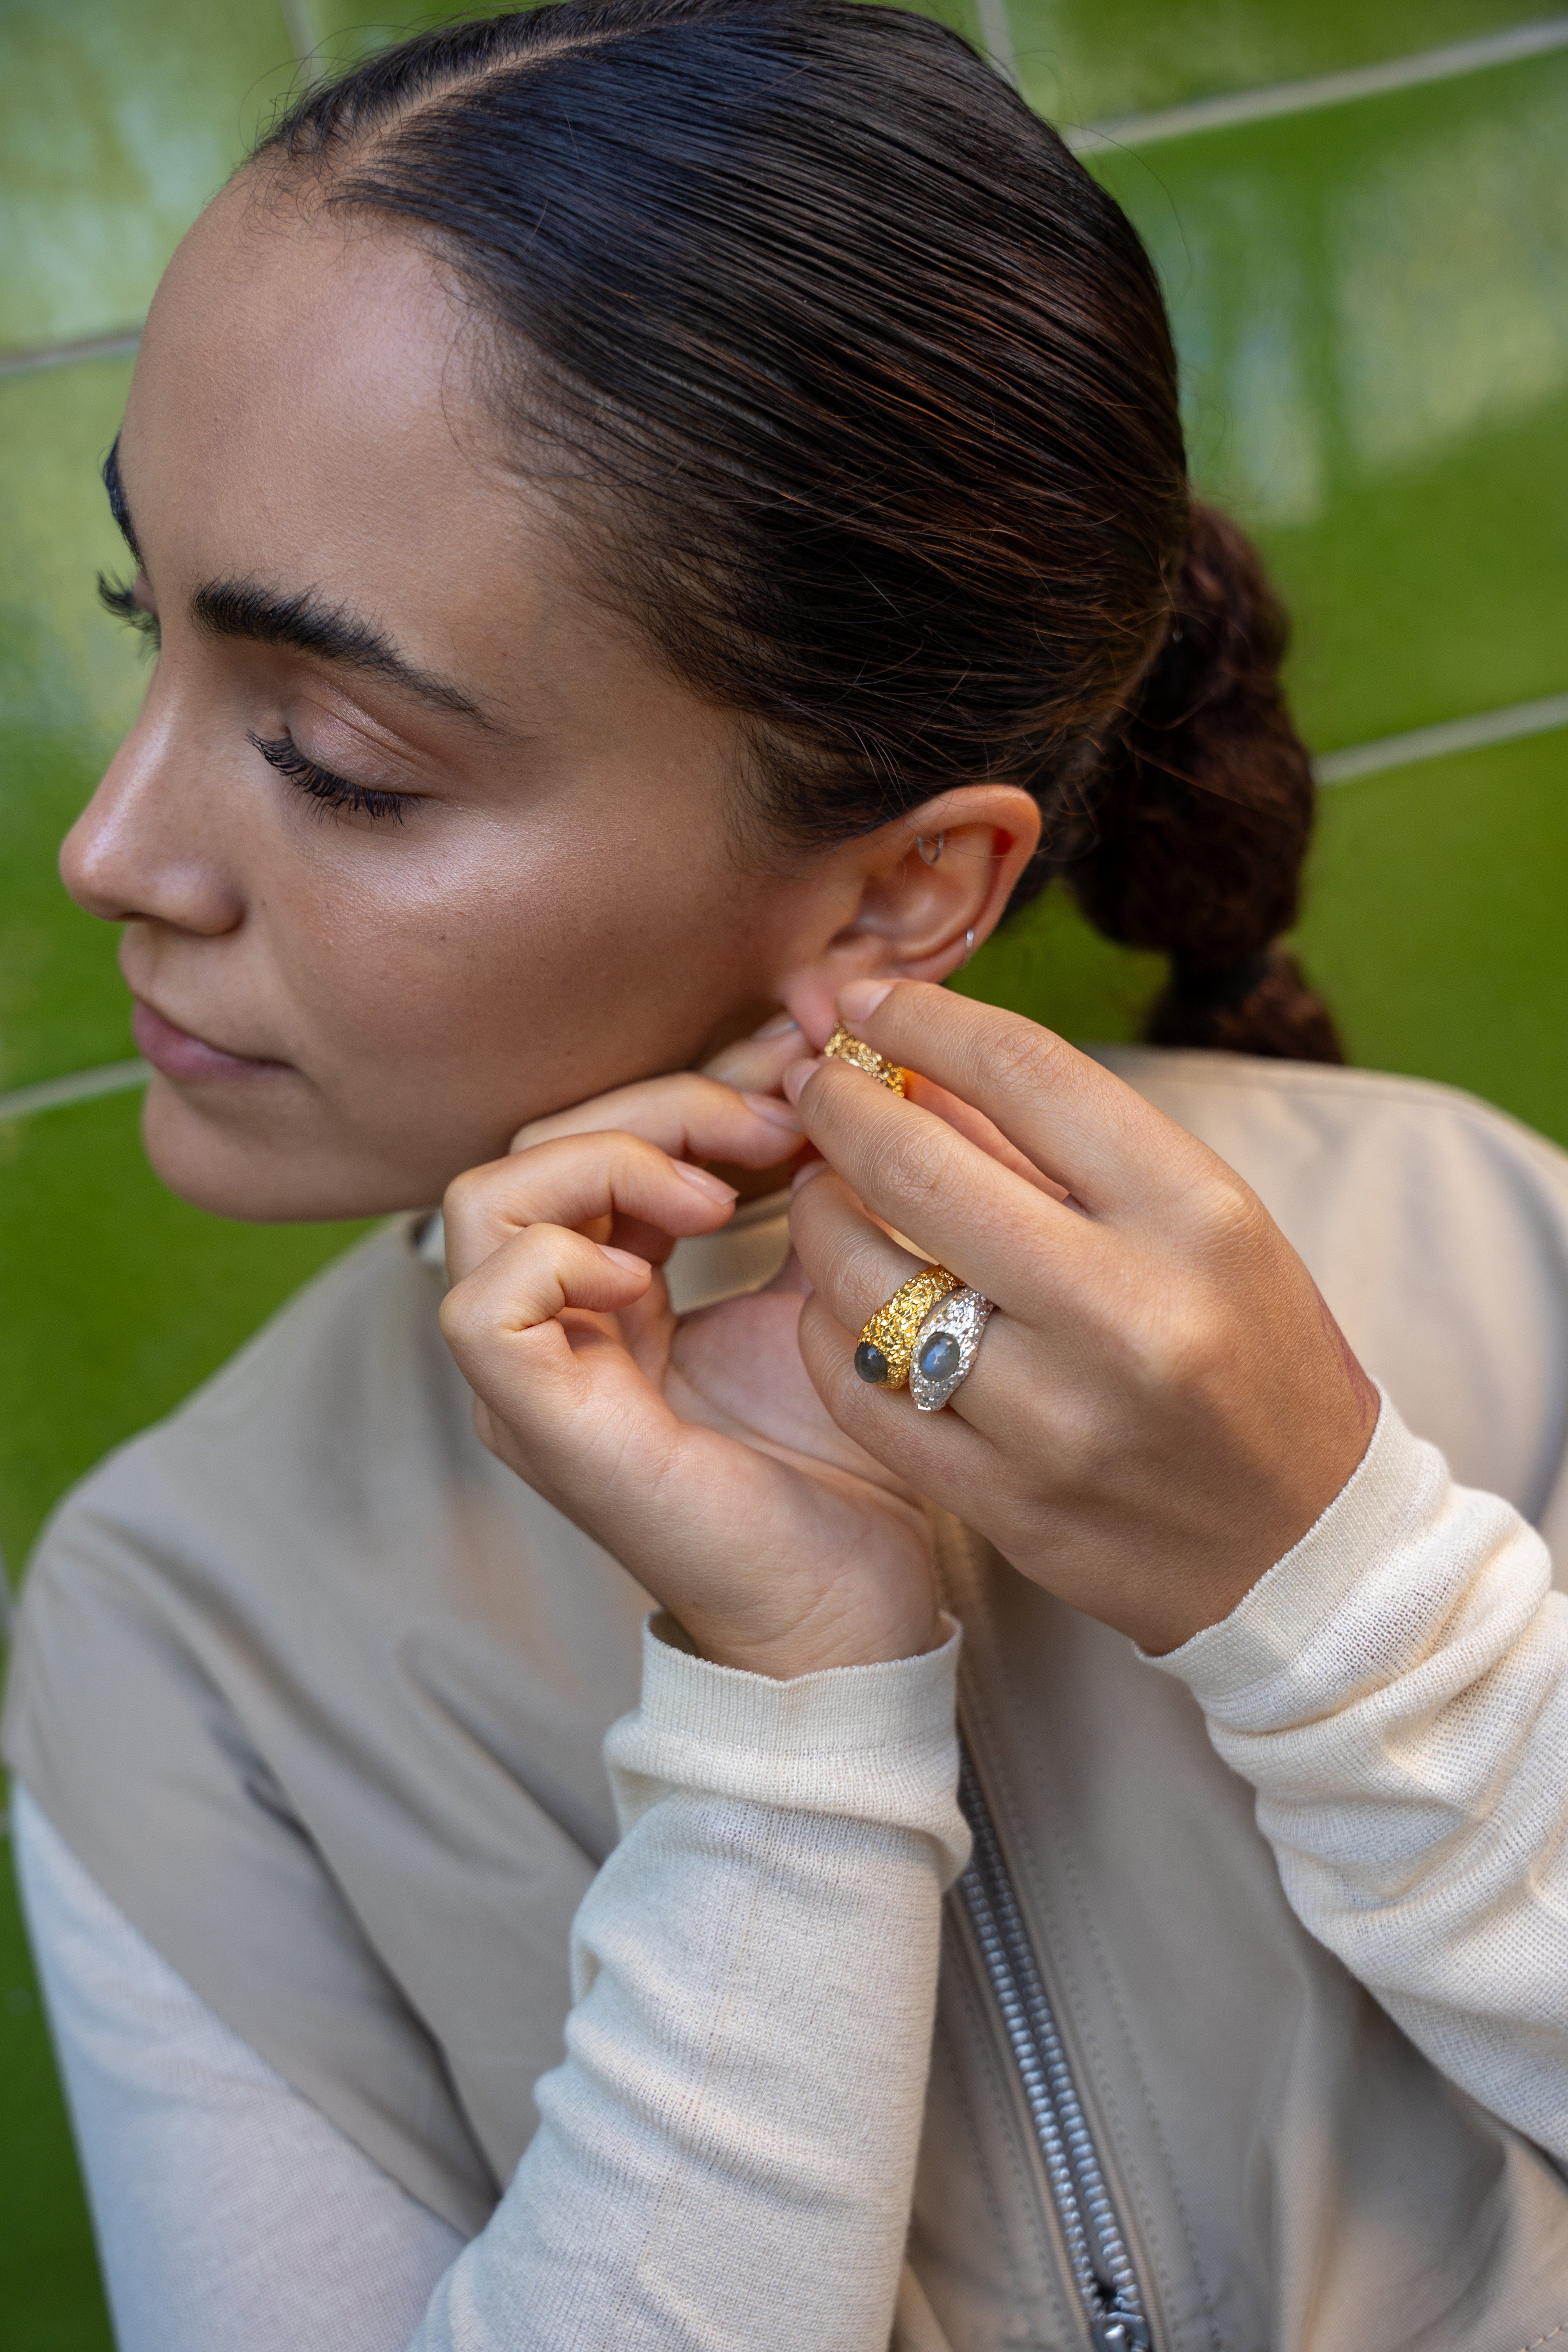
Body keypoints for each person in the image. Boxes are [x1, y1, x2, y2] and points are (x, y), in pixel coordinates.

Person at [7, 3, 1568, 2346]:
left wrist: (1340, 1600)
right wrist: (783, 1721)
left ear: (897, 897)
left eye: (334, 762)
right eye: (151, 632)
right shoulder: (174, 1637)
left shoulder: (1493, 1252)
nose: (111, 849)